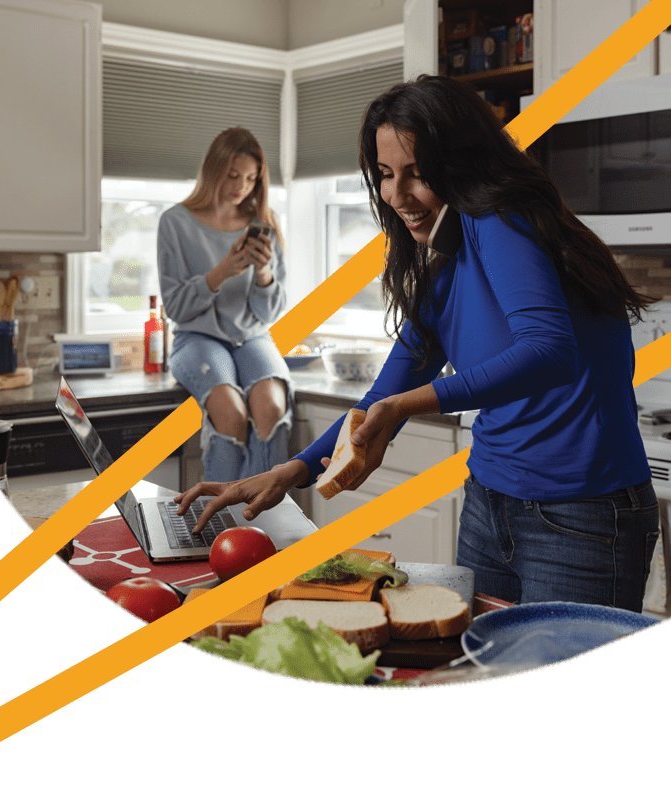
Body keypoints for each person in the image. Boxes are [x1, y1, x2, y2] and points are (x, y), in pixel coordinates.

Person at [175, 75, 660, 612]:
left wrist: (408, 404)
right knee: (487, 682)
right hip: (489, 502)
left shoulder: (500, 219)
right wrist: (291, 472)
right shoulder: (444, 267)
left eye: (417, 174)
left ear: (460, 165)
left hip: (579, 516)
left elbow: (549, 350)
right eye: (385, 175)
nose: (397, 195)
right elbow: (381, 397)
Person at [157, 127, 290, 482]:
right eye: (233, 175)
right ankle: (221, 524)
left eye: (251, 178)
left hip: (252, 337)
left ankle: (264, 520)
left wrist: (263, 273)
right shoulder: (175, 222)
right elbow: (176, 308)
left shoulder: (265, 223)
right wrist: (221, 273)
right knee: (231, 414)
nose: (241, 186)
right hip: (197, 338)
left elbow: (270, 313)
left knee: (272, 409)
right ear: (212, 169)